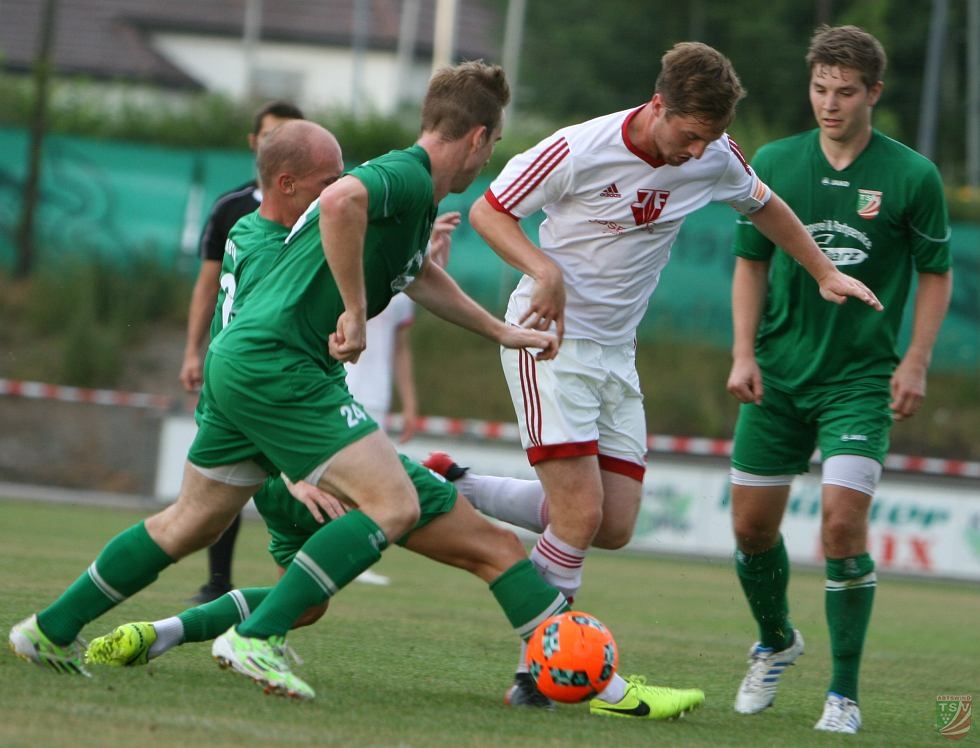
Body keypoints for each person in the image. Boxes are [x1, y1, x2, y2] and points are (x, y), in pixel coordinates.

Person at [7, 61, 562, 705]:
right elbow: (343, 200)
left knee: (187, 525)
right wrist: (354, 310)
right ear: (478, 138)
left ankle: (49, 630)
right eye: (494, 143)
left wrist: (498, 330)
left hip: (241, 364)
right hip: (283, 367)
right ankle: (255, 636)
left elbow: (417, 274)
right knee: (395, 505)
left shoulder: (418, 201)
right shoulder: (405, 174)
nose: (491, 156)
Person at [467, 41, 883, 707]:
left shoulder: (715, 155)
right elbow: (491, 211)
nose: (697, 154)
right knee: (578, 514)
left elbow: (765, 204)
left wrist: (824, 269)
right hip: (547, 341)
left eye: (710, 140)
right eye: (690, 136)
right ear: (657, 106)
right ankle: (537, 675)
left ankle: (457, 488)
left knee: (614, 523)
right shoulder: (578, 148)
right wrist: (543, 270)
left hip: (615, 356)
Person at [84, 455, 705, 719]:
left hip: (274, 470)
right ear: (293, 184)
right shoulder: (350, 215)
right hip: (329, 454)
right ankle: (604, 685)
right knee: (497, 551)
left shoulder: (250, 237)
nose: (468, 170)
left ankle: (161, 634)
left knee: (304, 604)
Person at [724, 25, 952, 734]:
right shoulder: (774, 162)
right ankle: (775, 640)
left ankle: (843, 693)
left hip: (860, 381)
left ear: (873, 94)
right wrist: (742, 352)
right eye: (820, 88)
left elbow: (937, 274)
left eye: (845, 92)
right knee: (751, 529)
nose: (830, 103)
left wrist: (914, 361)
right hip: (781, 375)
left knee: (841, 524)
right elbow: (751, 262)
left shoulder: (912, 176)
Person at [180, 99, 305, 604]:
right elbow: (208, 284)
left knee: (284, 480)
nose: (276, 142)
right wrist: (192, 351)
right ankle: (221, 583)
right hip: (236, 367)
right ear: (255, 144)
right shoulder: (232, 208)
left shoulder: (320, 207)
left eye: (288, 134)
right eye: (269, 134)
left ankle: (289, 596)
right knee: (215, 494)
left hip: (284, 368)